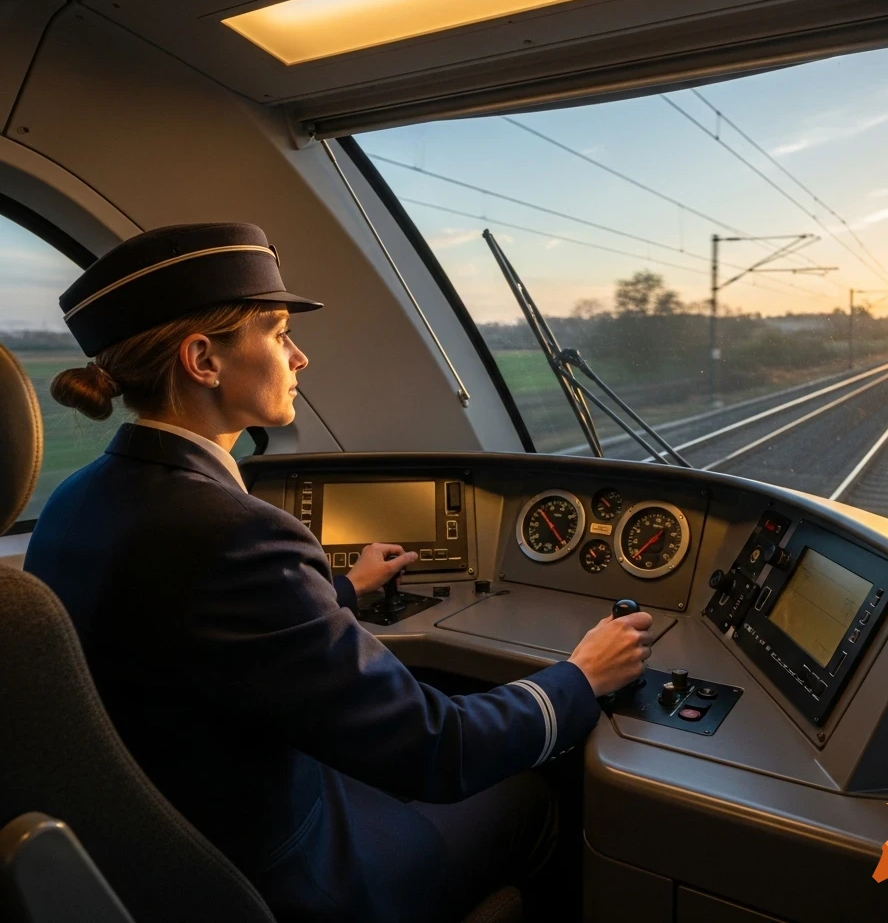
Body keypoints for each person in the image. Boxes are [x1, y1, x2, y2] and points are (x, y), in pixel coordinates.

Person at [24, 222, 654, 923]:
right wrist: (582, 676)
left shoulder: (75, 499)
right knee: (539, 793)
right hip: (283, 875)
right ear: (203, 359)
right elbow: (438, 751)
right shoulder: (235, 532)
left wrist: (343, 590)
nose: (300, 357)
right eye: (278, 333)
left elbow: (178, 638)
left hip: (169, 844)